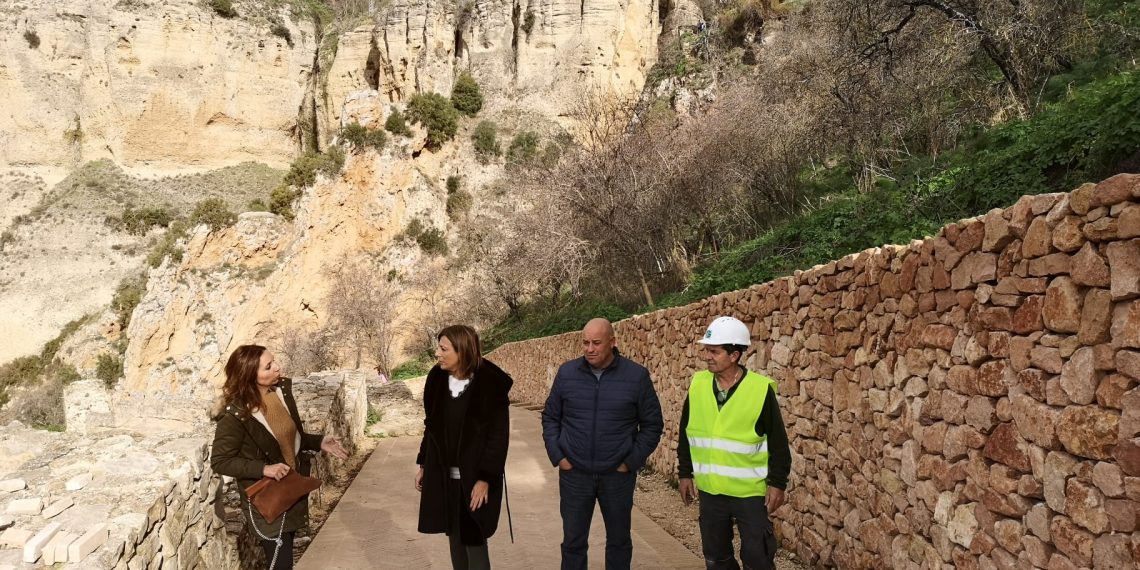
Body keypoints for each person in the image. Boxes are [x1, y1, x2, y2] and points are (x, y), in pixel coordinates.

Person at [211, 344, 349, 570]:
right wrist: (264, 469)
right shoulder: (235, 414)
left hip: (290, 489)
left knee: (284, 560)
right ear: (249, 376)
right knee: (281, 563)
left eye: (274, 361)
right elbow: (220, 461)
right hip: (266, 498)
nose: (277, 367)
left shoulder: (279, 393)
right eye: (268, 366)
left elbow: (289, 439)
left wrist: (319, 442)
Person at [541, 318, 664, 570]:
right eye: (585, 342)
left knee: (619, 542)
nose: (589, 348)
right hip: (574, 475)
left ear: (613, 342)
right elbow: (551, 417)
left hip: (617, 477)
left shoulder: (636, 376)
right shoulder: (567, 373)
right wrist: (559, 457)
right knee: (573, 543)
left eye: (596, 343)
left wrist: (630, 462)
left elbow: (652, 425)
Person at [677, 316, 792, 570]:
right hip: (710, 492)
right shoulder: (697, 385)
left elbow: (778, 443)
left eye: (714, 351)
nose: (707, 356)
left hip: (749, 493)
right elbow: (686, 432)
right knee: (717, 559)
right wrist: (685, 473)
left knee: (758, 558)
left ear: (734, 355)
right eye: (706, 350)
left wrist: (777, 483)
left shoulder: (760, 390)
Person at [415, 325, 513, 570]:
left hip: (475, 479)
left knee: (474, 538)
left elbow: (498, 437)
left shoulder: (490, 384)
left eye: (443, 348)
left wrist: (485, 479)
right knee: (454, 537)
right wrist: (424, 464)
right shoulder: (436, 379)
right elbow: (432, 426)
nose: (437, 353)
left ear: (462, 351)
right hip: (445, 476)